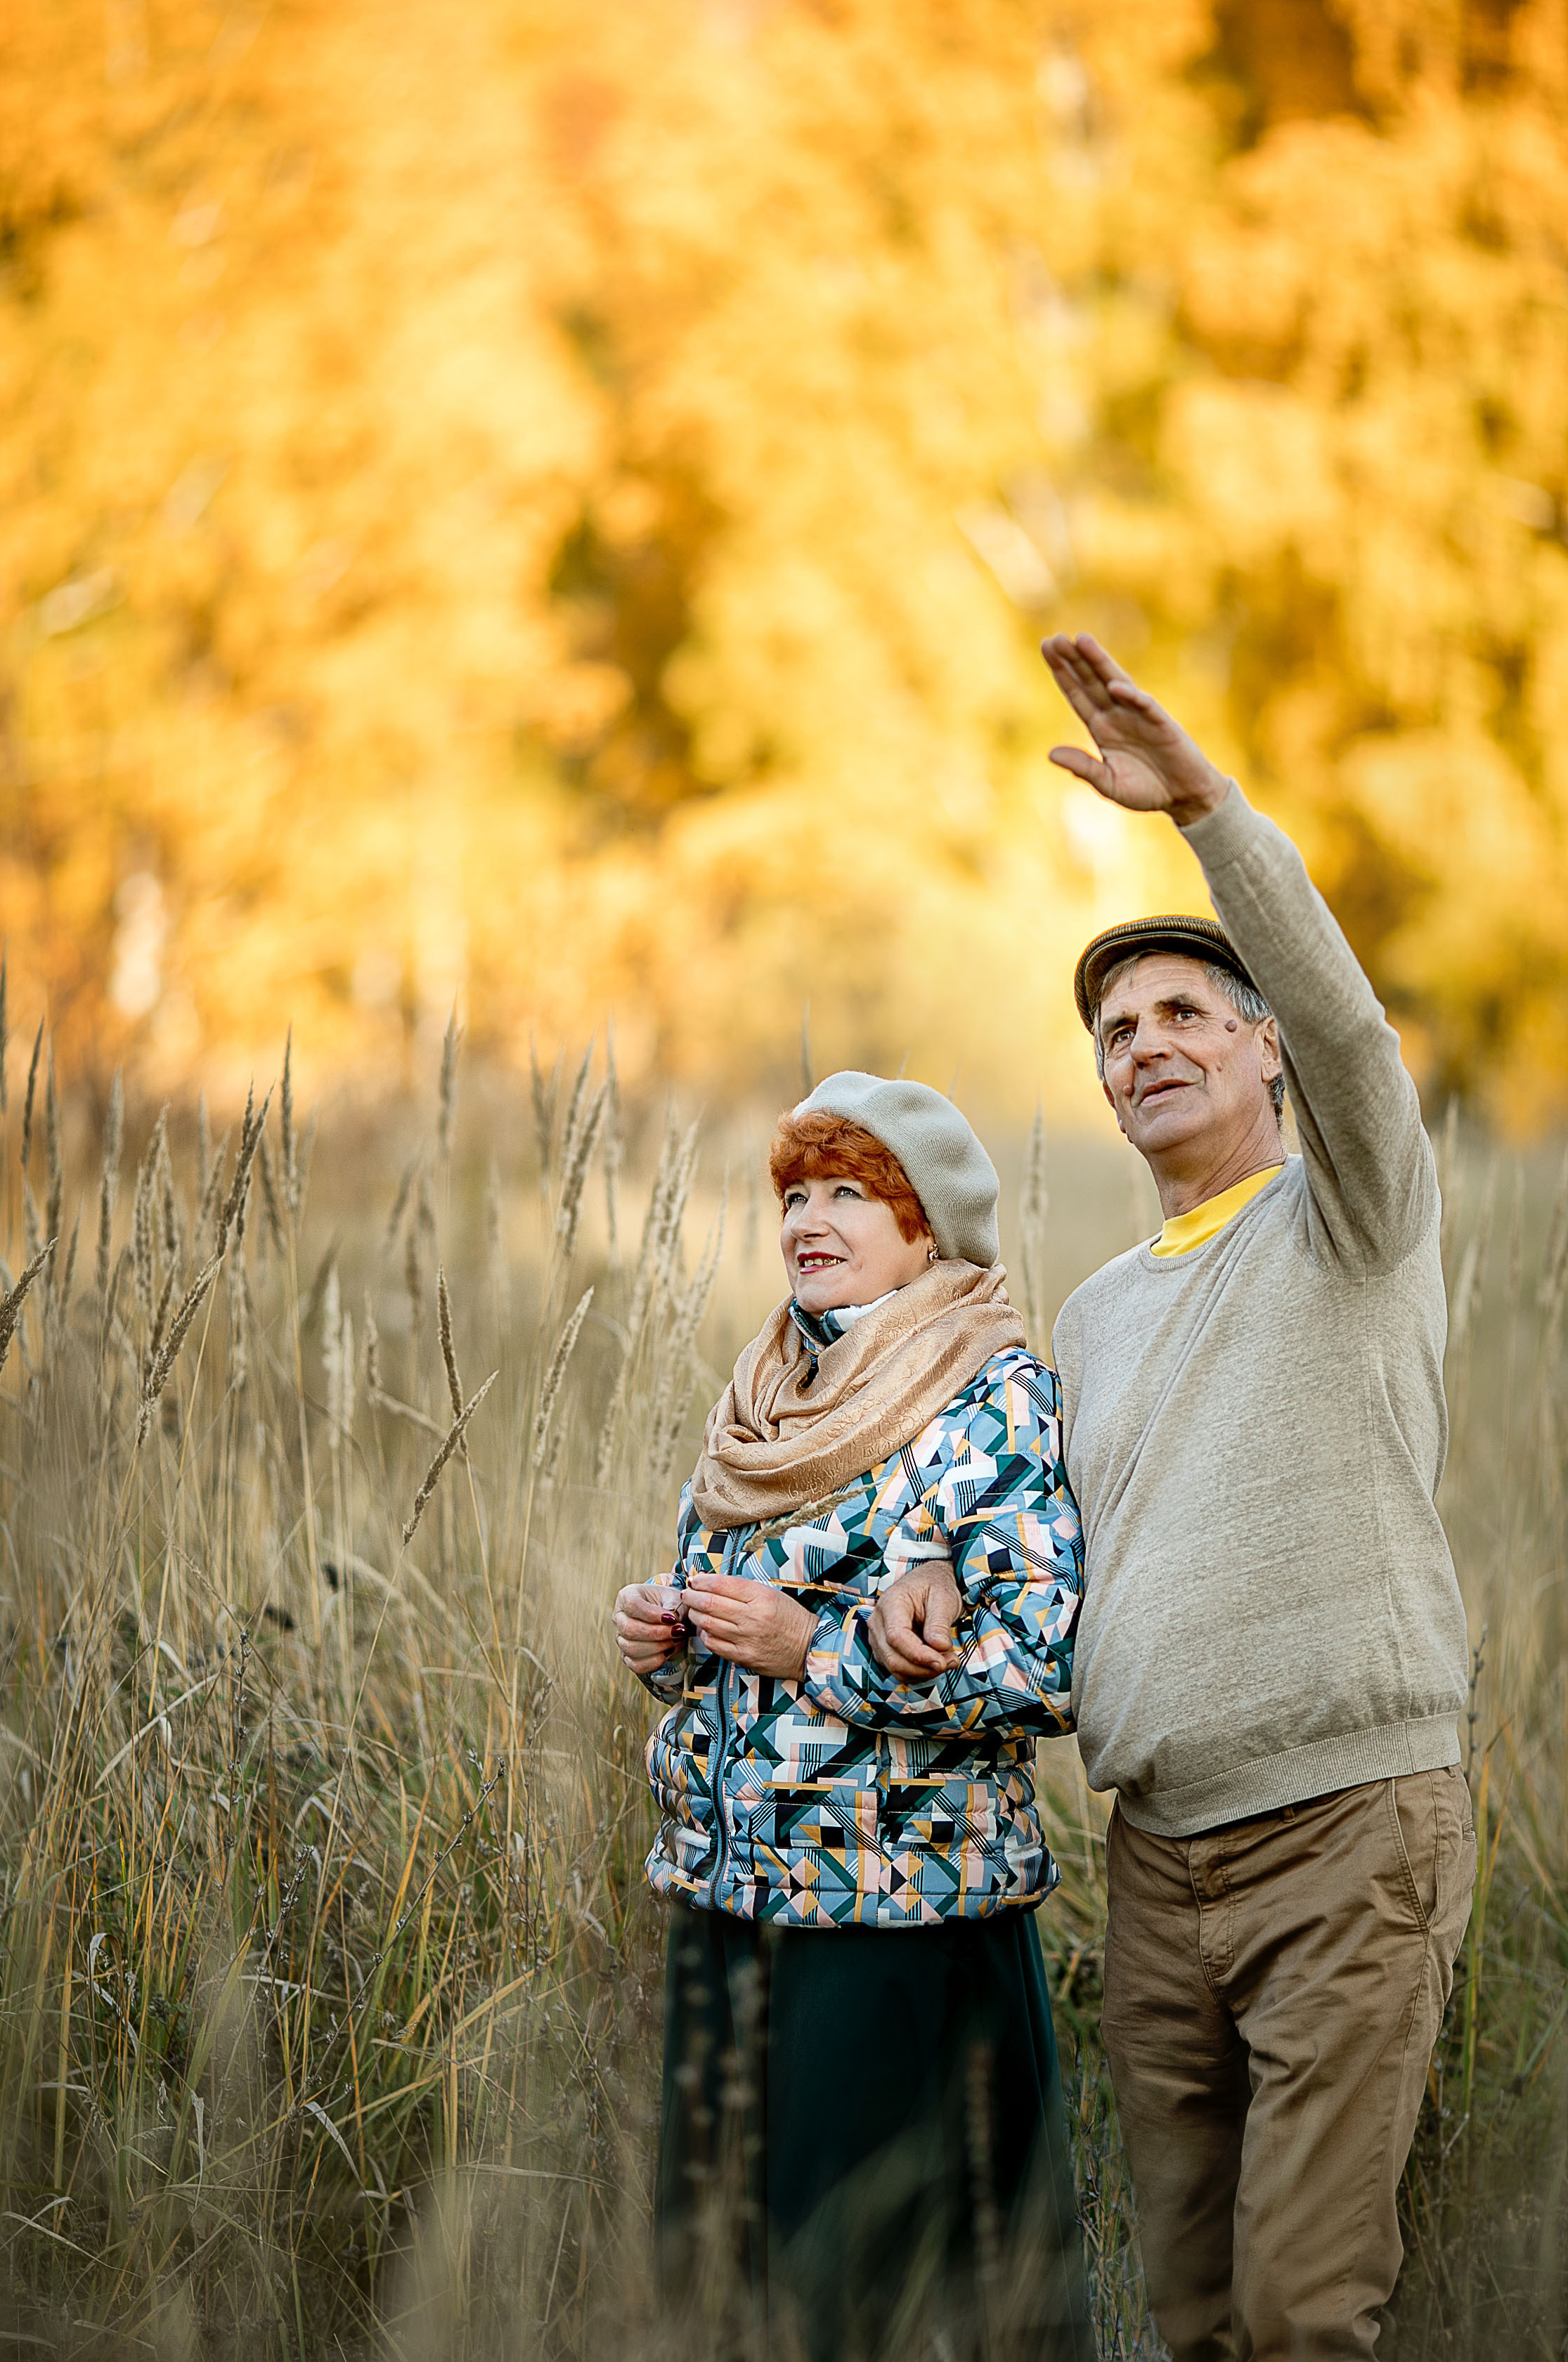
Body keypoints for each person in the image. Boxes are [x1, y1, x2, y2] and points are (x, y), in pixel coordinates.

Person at [872, 636, 1477, 2362]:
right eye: (1115, 1030)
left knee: (1303, 2314)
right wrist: (922, 1557)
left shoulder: (1352, 1215)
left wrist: (1203, 811)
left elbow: (1355, 1020)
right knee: (1191, 2315)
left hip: (1344, 1830)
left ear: (1269, 1053)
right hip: (1155, 1867)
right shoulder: (1097, 1311)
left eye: (1185, 1016)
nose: (1142, 1046)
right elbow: (1032, 1540)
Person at [613, 1072, 1096, 2362]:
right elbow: (740, 1631)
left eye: (849, 1194)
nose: (808, 1221)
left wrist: (810, 1646)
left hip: (894, 1920)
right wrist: (671, 1641)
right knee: (732, 2293)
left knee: (879, 2299)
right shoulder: (763, 1400)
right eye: (795, 1194)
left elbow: (1043, 1662)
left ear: (926, 1228)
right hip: (731, 1904)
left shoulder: (987, 1400)